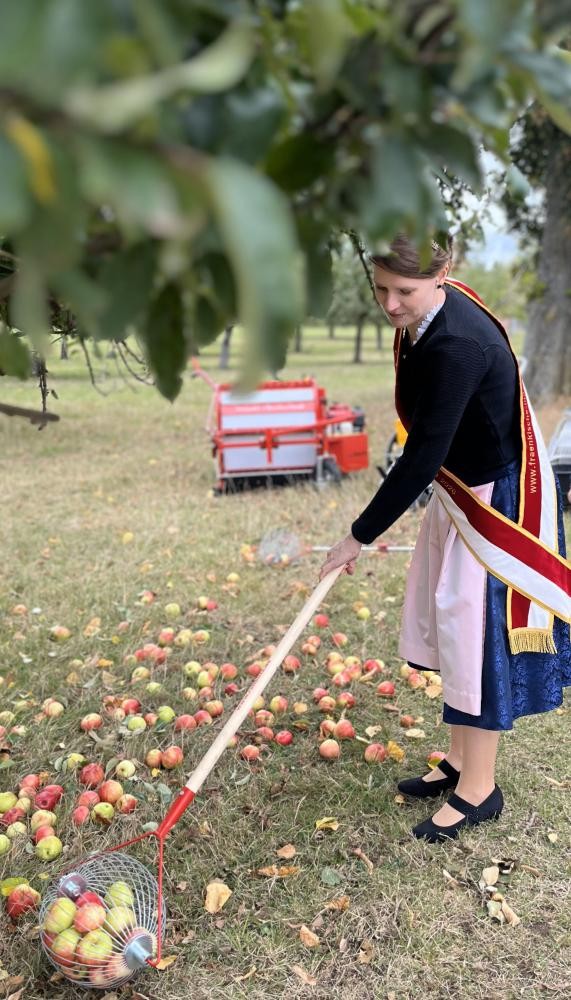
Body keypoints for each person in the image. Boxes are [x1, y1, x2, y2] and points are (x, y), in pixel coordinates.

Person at [319, 234, 571, 843]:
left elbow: (421, 455)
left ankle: (480, 790)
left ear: (443, 273)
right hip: (463, 483)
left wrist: (357, 536)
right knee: (453, 624)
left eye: (403, 291)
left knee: (474, 635)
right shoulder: (431, 312)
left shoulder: (457, 340)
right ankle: (460, 760)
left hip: (495, 500)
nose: (390, 304)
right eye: (380, 288)